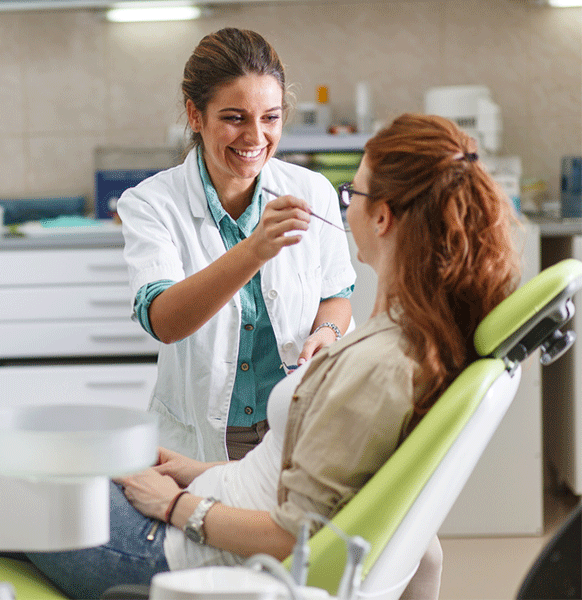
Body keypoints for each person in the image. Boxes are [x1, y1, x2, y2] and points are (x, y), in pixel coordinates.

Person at [26, 113, 520, 600]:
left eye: (354, 193)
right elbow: (287, 483)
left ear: (383, 217)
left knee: (4, 487)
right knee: (46, 456)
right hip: (209, 497)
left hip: (179, 548)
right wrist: (194, 473)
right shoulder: (408, 340)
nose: (343, 206)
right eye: (236, 117)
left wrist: (175, 505)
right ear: (196, 117)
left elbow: (293, 535)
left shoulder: (378, 368)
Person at [116, 28, 356, 462]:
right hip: (205, 435)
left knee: (293, 531)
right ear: (195, 115)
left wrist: (327, 332)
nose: (255, 138)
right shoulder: (150, 203)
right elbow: (165, 322)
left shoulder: (312, 189)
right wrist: (255, 248)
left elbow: (337, 295)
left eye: (270, 117)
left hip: (298, 423)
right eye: (234, 118)